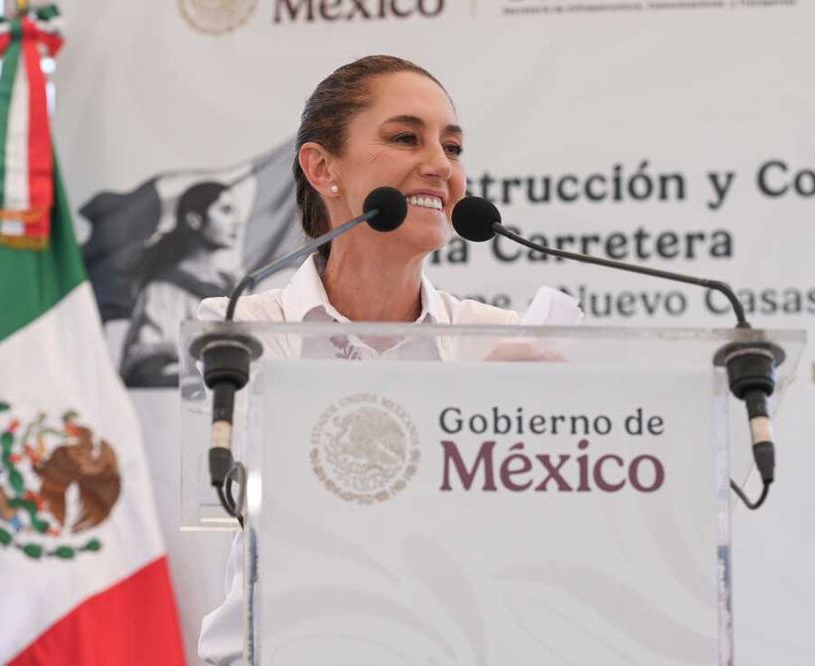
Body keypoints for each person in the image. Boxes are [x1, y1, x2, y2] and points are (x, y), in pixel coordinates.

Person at [196, 55, 578, 665]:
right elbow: (300, 510)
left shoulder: (499, 341)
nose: (439, 165)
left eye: (452, 147)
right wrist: (466, 418)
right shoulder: (239, 332)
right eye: (406, 138)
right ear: (323, 167)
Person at [120, 181, 240, 387]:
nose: (236, 221)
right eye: (225, 210)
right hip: (180, 408)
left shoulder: (235, 287)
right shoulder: (164, 290)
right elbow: (146, 368)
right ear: (194, 219)